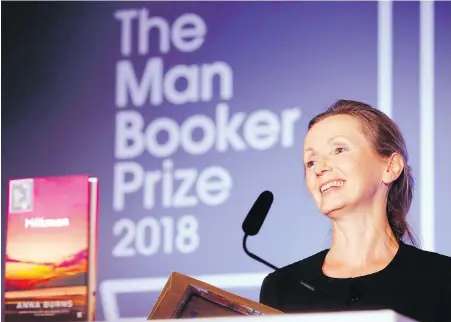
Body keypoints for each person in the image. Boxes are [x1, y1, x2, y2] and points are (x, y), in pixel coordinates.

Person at [259, 100, 451, 322]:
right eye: (310, 162)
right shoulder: (281, 287)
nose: (319, 168)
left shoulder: (442, 279)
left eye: (339, 150)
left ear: (390, 167)